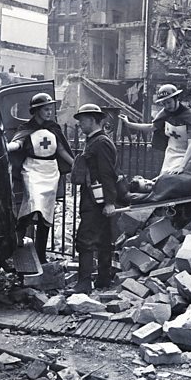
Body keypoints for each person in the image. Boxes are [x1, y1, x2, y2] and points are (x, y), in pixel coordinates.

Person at [7, 93, 74, 264]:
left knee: (46, 213)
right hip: (32, 170)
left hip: (50, 172)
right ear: (36, 110)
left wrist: (75, 165)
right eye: (46, 109)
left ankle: (41, 254)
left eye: (50, 109)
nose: (49, 112)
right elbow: (19, 143)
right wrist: (9, 146)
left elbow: (61, 151)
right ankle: (18, 241)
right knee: (33, 204)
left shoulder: (53, 128)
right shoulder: (26, 128)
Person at [72, 104, 119, 293]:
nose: (80, 124)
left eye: (82, 120)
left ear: (92, 120)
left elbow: (108, 174)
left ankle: (84, 284)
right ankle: (102, 280)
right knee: (102, 238)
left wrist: (109, 202)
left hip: (96, 200)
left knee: (86, 239)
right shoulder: (94, 141)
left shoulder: (101, 143)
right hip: (93, 197)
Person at [119, 84, 191, 175]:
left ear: (176, 99)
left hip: (187, 156)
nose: (167, 106)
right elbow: (151, 127)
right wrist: (129, 124)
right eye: (164, 103)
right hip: (171, 153)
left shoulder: (190, 117)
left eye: (169, 102)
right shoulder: (165, 113)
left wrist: (182, 166)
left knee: (176, 179)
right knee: (163, 178)